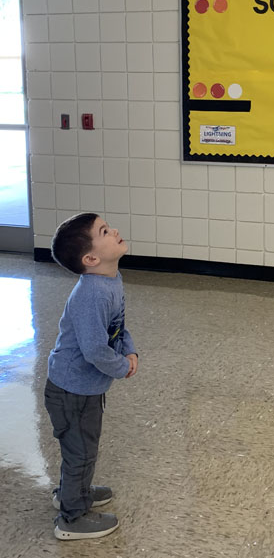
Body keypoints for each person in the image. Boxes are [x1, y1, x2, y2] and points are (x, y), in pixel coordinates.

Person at [44, 212, 138, 541]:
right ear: (91, 258)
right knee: (81, 452)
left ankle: (75, 491)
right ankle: (71, 516)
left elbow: (117, 324)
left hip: (83, 388)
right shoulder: (92, 295)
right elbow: (96, 350)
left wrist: (130, 350)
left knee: (82, 448)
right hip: (71, 391)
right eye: (104, 230)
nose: (114, 230)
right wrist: (121, 367)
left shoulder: (110, 278)